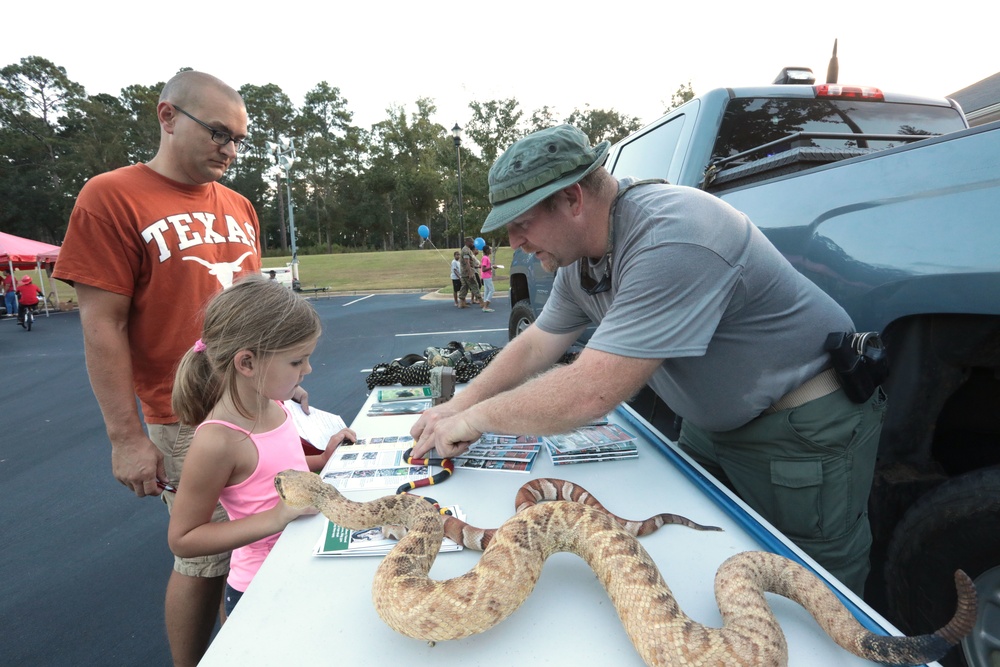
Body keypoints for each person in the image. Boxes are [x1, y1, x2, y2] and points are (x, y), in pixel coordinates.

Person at [410, 124, 885, 596]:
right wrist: (457, 406)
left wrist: (477, 418)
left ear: (573, 200)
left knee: (818, 586)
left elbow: (591, 391)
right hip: (713, 427)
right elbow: (537, 342)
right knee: (701, 556)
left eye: (522, 223)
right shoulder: (580, 259)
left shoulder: (673, 236)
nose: (514, 242)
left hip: (799, 428)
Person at [52, 71, 284, 666]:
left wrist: (287, 384)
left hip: (260, 407)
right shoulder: (110, 196)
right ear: (167, 115)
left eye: (238, 139)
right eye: (217, 133)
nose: (229, 149)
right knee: (204, 558)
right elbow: (102, 326)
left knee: (272, 537)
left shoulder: (238, 205)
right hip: (186, 417)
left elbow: (256, 310)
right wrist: (126, 437)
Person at [167, 277, 355, 618]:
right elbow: (184, 537)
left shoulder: (275, 405)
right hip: (260, 587)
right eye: (297, 361)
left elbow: (277, 473)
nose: (308, 370)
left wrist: (323, 459)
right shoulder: (217, 441)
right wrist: (278, 517)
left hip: (303, 559)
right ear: (247, 364)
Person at [457, 236, 481, 308]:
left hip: (465, 272)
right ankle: (482, 302)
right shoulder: (466, 251)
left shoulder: (467, 249)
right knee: (474, 285)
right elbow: (467, 262)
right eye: (471, 242)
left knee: (465, 287)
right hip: (467, 272)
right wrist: (470, 272)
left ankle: (461, 303)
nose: (473, 243)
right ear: (467, 242)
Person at [480, 245, 495, 312]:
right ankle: (486, 306)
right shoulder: (485, 258)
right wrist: (492, 267)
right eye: (489, 249)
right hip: (486, 276)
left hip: (486, 276)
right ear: (486, 250)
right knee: (492, 290)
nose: (491, 250)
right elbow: (483, 269)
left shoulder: (486, 257)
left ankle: (485, 306)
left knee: (486, 290)